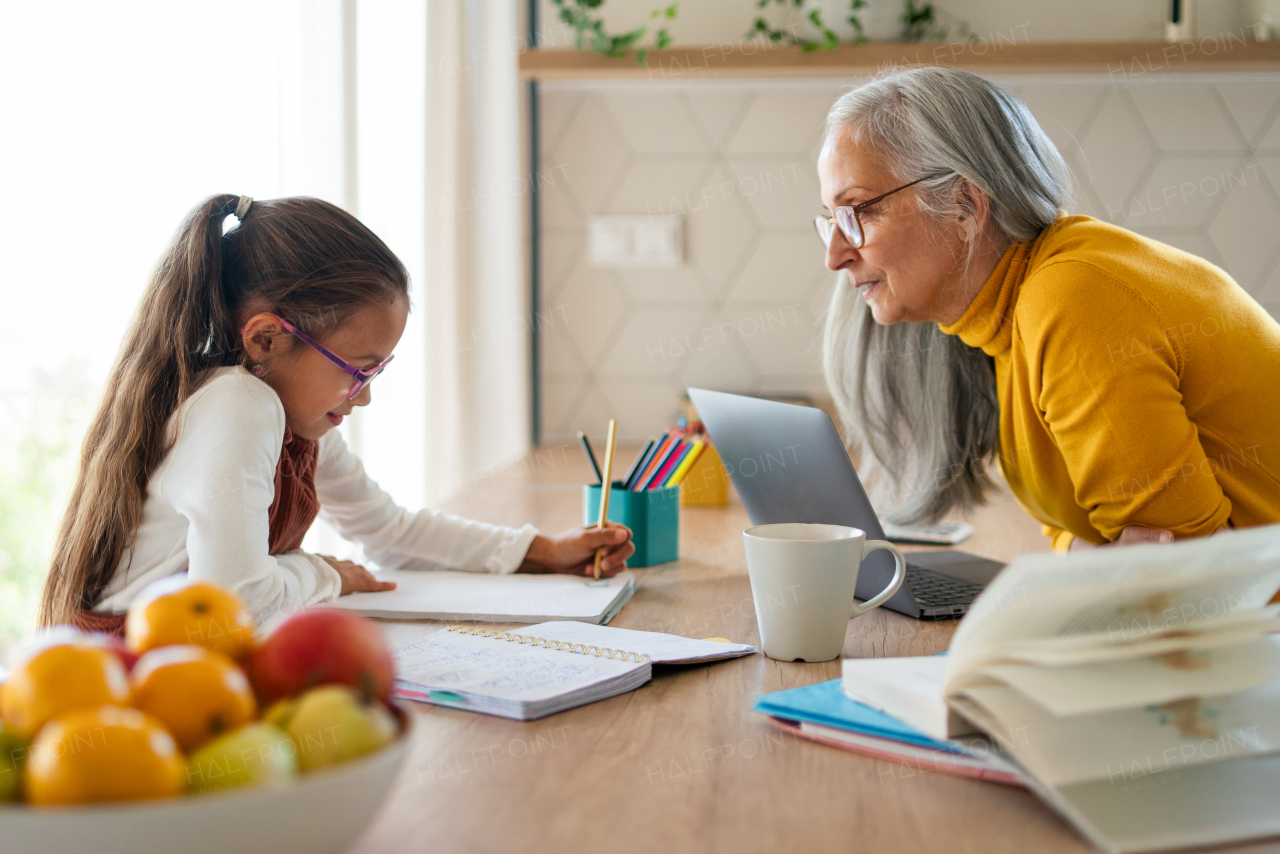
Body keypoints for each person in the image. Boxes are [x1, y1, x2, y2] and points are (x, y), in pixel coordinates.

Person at [42, 194, 633, 630]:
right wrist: (325, 574)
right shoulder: (238, 405)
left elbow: (391, 531)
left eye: (377, 373)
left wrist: (543, 552)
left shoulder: (288, 414)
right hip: (129, 680)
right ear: (266, 340)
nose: (365, 395)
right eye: (358, 370)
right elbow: (235, 600)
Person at [816, 67, 1280, 553]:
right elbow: (1087, 535)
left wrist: (1106, 568)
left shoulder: (1073, 299)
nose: (836, 254)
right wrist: (1100, 562)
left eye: (860, 210)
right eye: (831, 219)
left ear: (964, 205)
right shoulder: (1001, 321)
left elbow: (1188, 575)